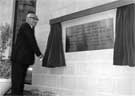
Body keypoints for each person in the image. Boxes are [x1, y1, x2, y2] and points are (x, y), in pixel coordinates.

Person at [11, 12, 43, 95]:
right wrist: (39, 54)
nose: (36, 22)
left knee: (21, 80)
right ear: (28, 19)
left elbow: (30, 43)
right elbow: (32, 41)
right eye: (34, 19)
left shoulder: (30, 28)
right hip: (19, 59)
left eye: (37, 20)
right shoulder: (25, 26)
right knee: (17, 81)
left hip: (23, 60)